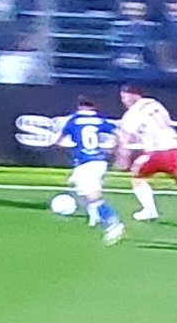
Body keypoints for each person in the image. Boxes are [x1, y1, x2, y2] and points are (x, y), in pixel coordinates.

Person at [115, 82, 177, 222]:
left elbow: (126, 137)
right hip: (175, 147)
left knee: (137, 176)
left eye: (125, 97)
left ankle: (150, 211)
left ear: (134, 95)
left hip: (155, 151)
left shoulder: (131, 114)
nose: (123, 101)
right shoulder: (154, 103)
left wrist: (122, 157)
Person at [46, 97, 126, 243]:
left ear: (79, 106)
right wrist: (116, 149)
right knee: (81, 188)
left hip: (86, 162)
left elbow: (58, 139)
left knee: (92, 195)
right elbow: (119, 133)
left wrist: (58, 144)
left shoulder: (73, 120)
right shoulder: (99, 120)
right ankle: (95, 217)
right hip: (99, 160)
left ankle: (113, 223)